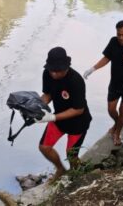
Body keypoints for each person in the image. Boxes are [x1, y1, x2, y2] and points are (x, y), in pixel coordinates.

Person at [83, 20, 123, 146]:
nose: (121, 38)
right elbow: (107, 58)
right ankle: (118, 124)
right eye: (118, 34)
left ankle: (117, 133)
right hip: (115, 83)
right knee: (111, 109)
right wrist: (93, 69)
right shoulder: (113, 42)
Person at [37, 47, 92, 183]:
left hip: (78, 123)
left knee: (71, 155)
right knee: (44, 147)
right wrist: (37, 107)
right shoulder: (47, 73)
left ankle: (79, 177)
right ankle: (60, 169)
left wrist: (53, 117)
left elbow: (78, 109)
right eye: (52, 71)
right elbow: (48, 94)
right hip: (60, 120)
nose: (54, 74)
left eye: (58, 71)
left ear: (67, 67)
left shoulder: (76, 80)